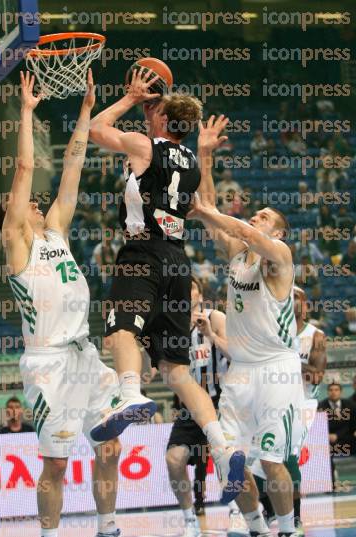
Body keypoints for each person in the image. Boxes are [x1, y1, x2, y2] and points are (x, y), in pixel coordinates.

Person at [0, 71, 143, 537]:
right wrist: (29, 111)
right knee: (55, 464)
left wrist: (88, 110)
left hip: (83, 357)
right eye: (29, 202)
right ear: (11, 216)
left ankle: (106, 535)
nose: (39, 201)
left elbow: (73, 163)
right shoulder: (16, 241)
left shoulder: (54, 230)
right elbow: (26, 167)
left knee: (110, 447)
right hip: (49, 365)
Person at [87, 68, 245, 499]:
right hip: (179, 263)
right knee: (176, 369)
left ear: (160, 121)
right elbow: (205, 206)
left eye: (149, 110)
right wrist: (207, 153)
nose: (144, 114)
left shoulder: (144, 145)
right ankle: (221, 443)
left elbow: (93, 129)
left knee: (121, 330)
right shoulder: (191, 162)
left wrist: (128, 97)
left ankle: (129, 394)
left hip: (143, 255)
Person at [188, 117, 304, 537]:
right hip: (240, 371)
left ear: (278, 232)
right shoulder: (238, 258)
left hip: (276, 369)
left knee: (273, 459)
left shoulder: (280, 257)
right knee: (228, 460)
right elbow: (212, 206)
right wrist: (205, 154)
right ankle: (257, 536)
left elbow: (237, 227)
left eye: (264, 218)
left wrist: (211, 214)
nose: (256, 218)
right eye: (255, 214)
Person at [252, 286, 327, 537]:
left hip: (303, 403)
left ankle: (294, 517)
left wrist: (289, 358)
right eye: (288, 298)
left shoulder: (315, 335)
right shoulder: (272, 332)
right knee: (261, 457)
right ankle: (273, 508)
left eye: (297, 298)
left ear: (305, 305)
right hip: (275, 399)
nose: (292, 302)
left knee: (289, 454)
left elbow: (316, 376)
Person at [165, 275, 229, 537]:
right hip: (191, 407)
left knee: (228, 460)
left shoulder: (216, 317)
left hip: (221, 403)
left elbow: (235, 353)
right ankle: (190, 521)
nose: (186, 293)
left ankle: (241, 514)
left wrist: (210, 335)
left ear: (200, 295)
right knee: (174, 460)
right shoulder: (172, 327)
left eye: (190, 288)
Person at [318, 382, 356, 488]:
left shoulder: (350, 405)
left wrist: (337, 435)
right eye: (331, 390)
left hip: (346, 439)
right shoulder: (321, 406)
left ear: (340, 392)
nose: (333, 392)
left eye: (336, 390)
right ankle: (331, 485)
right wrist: (328, 435)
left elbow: (351, 425)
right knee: (325, 451)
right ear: (327, 392)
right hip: (328, 441)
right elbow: (318, 427)